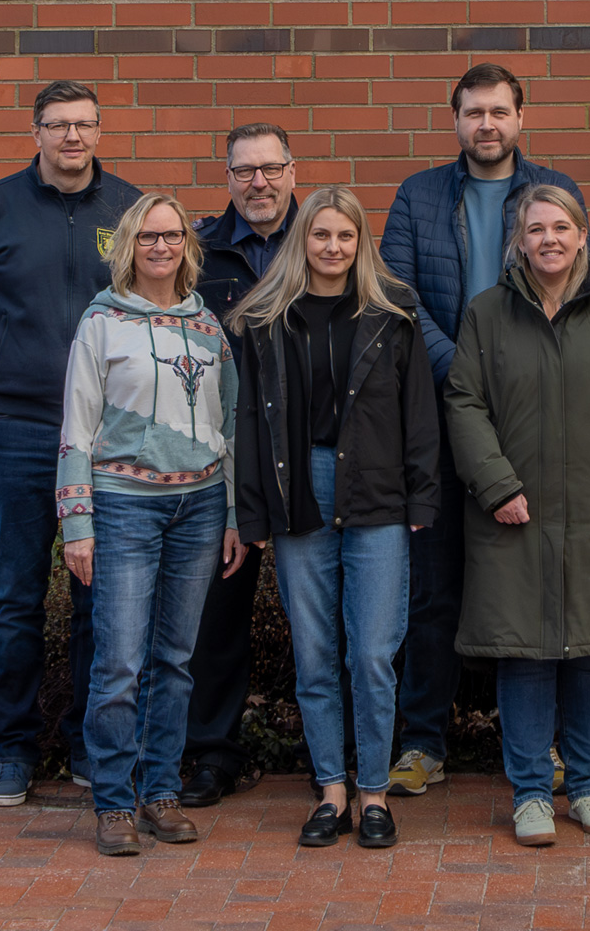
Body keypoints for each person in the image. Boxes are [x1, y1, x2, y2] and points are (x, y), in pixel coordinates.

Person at [377, 62, 587, 797]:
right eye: (473, 112)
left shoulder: (554, 192)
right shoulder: (418, 196)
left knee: (531, 588)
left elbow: (574, 294)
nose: (487, 124)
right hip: (437, 419)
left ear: (521, 118)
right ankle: (422, 743)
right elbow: (399, 300)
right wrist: (464, 371)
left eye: (500, 111)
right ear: (456, 119)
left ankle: (539, 749)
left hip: (535, 424)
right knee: (434, 589)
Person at [0, 79, 140, 809]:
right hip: (22, 431)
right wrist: (3, 375)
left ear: (100, 131)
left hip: (112, 432)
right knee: (17, 594)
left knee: (99, 598)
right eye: (58, 125)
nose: (72, 137)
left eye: (84, 124)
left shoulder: (131, 210)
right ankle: (12, 753)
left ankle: (89, 746)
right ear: (37, 131)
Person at [442, 184, 590, 848]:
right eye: (536, 229)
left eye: (562, 227)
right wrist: (495, 485)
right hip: (516, 513)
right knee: (527, 657)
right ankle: (533, 793)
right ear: (519, 240)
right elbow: (464, 403)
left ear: (583, 237)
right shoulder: (487, 314)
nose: (549, 240)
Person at [229, 185, 440, 852]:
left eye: (345, 237)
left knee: (373, 654)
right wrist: (253, 506)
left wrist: (421, 495)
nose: (332, 247)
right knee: (315, 654)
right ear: (303, 241)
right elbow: (248, 423)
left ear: (361, 243)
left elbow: (420, 416)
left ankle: (375, 793)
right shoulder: (267, 318)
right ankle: (331, 791)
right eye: (320, 235)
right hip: (301, 490)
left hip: (377, 489)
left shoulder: (392, 314)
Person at [58, 191, 247, 858]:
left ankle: (161, 792)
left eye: (171, 237)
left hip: (198, 508)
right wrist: (77, 521)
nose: (160, 248)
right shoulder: (101, 322)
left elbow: (228, 429)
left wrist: (229, 514)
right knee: (119, 662)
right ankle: (113, 801)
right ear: (127, 247)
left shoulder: (208, 328)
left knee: (175, 661)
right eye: (147, 237)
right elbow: (77, 427)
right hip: (123, 505)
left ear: (188, 248)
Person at [177, 123, 302, 809]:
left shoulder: (324, 240)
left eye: (270, 168)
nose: (258, 182)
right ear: (227, 177)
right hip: (223, 463)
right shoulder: (201, 250)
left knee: (323, 614)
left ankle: (334, 756)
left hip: (309, 457)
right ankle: (213, 753)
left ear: (292, 170)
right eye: (244, 171)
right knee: (217, 617)